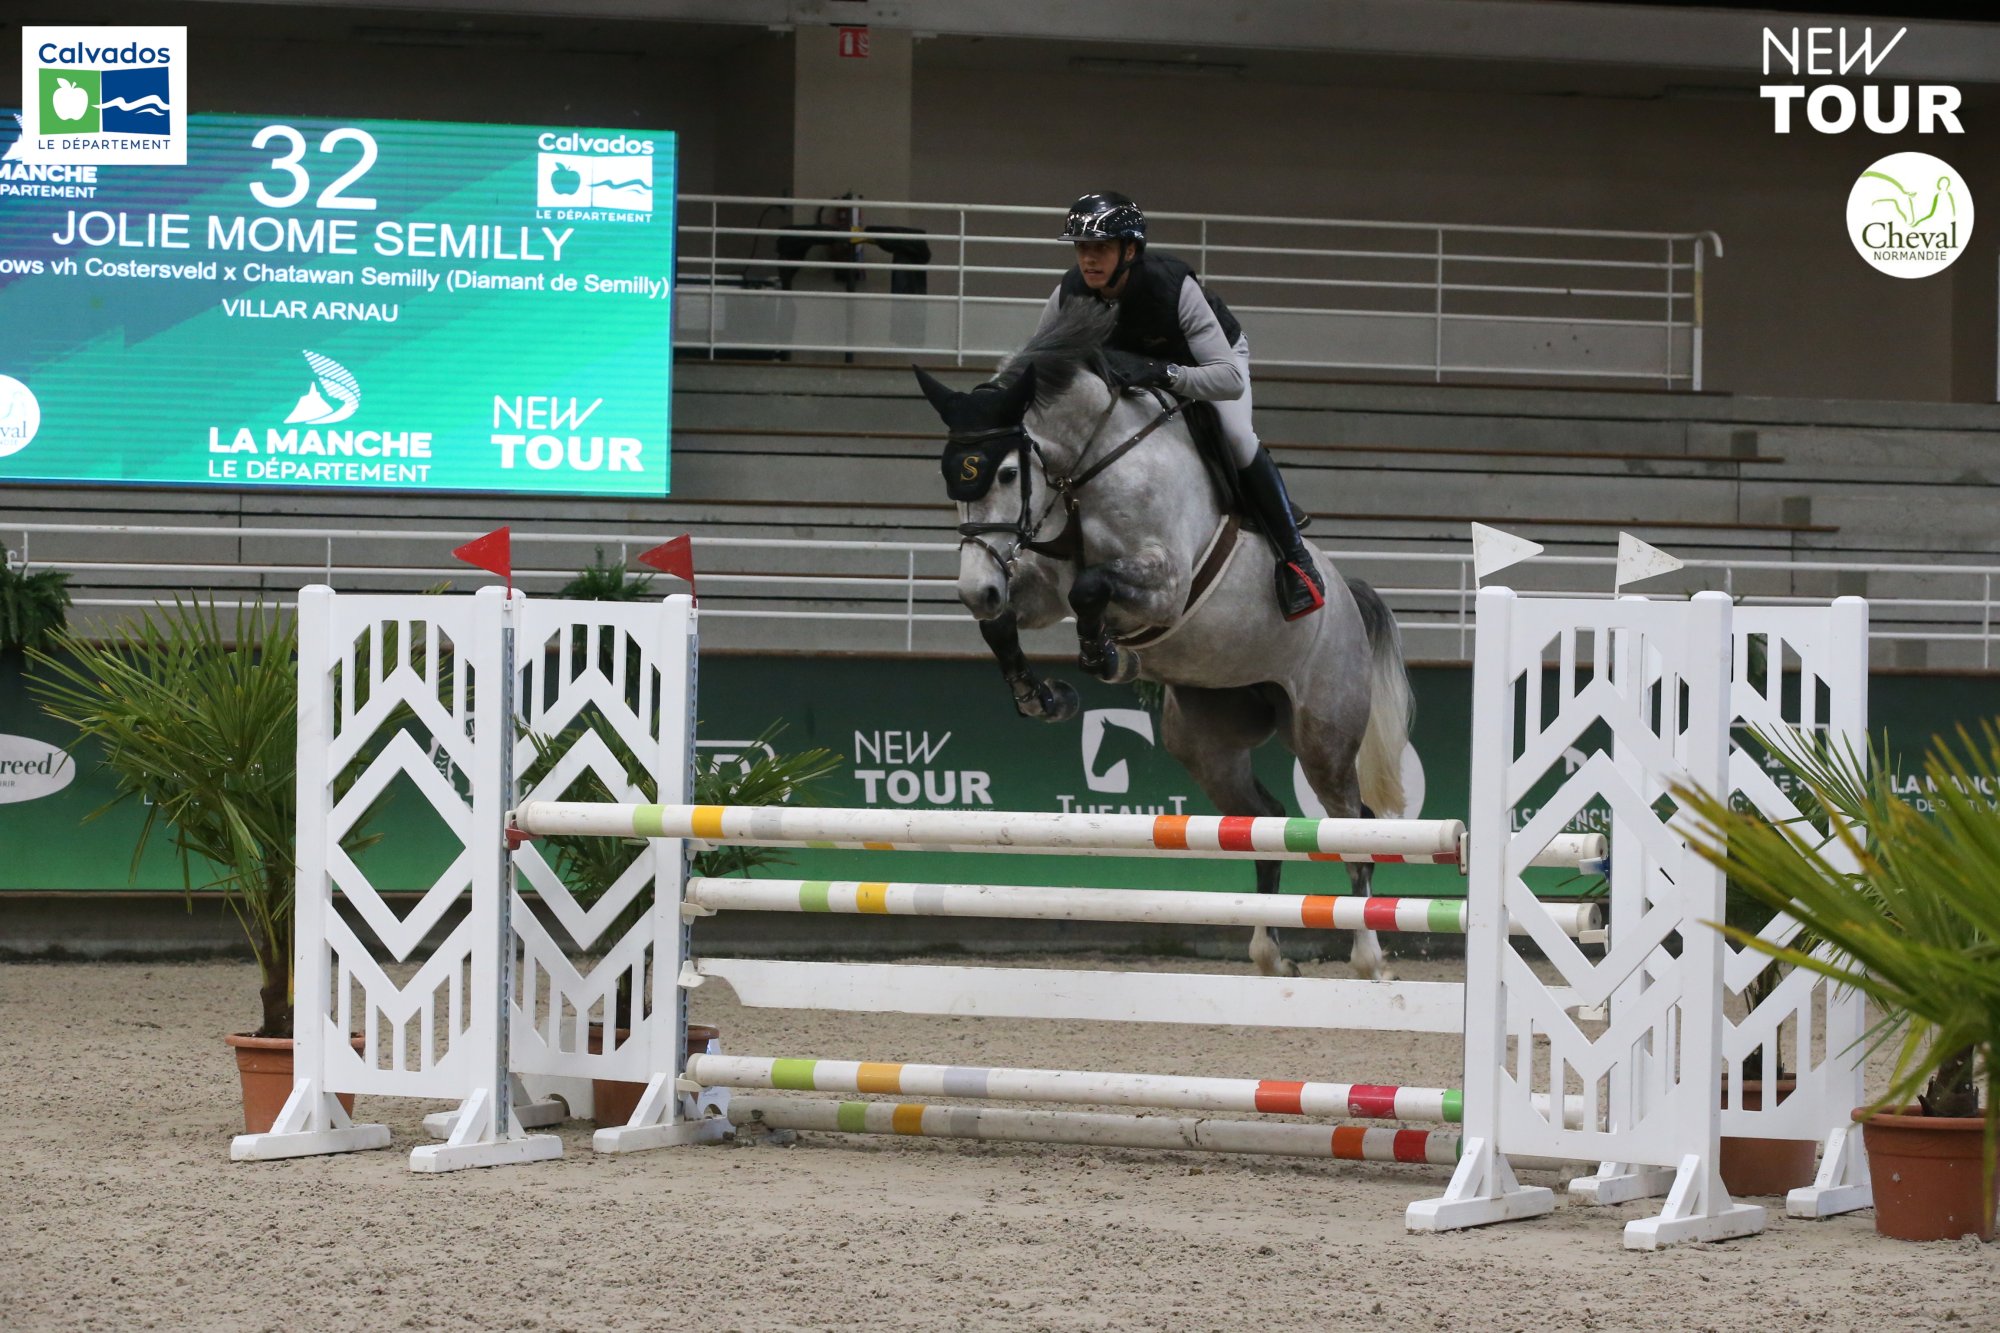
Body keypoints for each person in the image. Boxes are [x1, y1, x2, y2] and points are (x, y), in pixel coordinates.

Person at [1036, 190, 1324, 621]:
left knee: (1236, 436)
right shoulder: (1069, 292)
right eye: (1081, 248)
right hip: (1134, 374)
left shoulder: (1173, 287)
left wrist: (1164, 373)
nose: (1088, 259)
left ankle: (1296, 561)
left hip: (1207, 364)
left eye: (1101, 248)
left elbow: (1227, 380)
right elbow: (1039, 365)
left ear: (1129, 250)